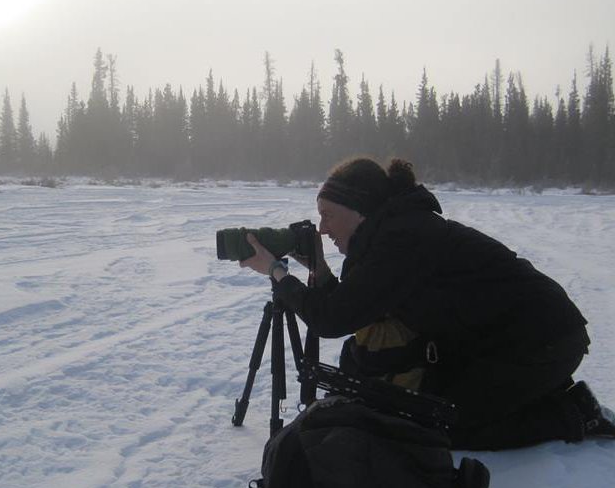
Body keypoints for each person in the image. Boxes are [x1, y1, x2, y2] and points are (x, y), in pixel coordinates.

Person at [239, 156, 615, 450]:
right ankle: (528, 392)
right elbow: (351, 307)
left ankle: (572, 414)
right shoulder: (392, 232)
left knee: (441, 426)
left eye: (328, 215)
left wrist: (276, 272)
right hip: (497, 342)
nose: (322, 229)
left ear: (359, 210)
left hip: (541, 342)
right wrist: (318, 268)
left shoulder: (403, 238)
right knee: (423, 407)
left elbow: (332, 319)